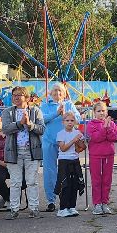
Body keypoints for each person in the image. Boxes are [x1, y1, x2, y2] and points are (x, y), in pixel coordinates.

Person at [2, 87, 44, 218]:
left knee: (32, 181)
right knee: (15, 182)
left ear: (26, 97)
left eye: (19, 95)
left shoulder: (35, 111)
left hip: (32, 151)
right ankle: (14, 210)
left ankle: (34, 208)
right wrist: (20, 123)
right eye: (14, 95)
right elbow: (6, 129)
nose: (15, 97)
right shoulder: (7, 112)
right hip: (14, 151)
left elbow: (42, 129)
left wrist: (30, 124)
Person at [40, 83, 80, 212]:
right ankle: (51, 200)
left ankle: (66, 198)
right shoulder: (45, 105)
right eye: (55, 91)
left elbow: (78, 119)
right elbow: (41, 120)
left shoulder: (69, 104)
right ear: (50, 93)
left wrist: (68, 116)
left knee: (67, 170)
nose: (57, 93)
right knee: (49, 171)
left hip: (67, 143)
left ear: (64, 93)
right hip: (49, 141)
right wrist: (56, 114)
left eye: (60, 91)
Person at [84, 102, 117, 216]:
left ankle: (105, 202)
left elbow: (113, 137)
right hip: (96, 155)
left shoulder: (112, 124)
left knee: (107, 180)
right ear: (94, 113)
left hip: (109, 155)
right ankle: (97, 203)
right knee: (96, 180)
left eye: (103, 111)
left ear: (106, 112)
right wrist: (104, 128)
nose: (101, 113)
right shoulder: (91, 125)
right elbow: (96, 138)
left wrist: (108, 127)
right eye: (98, 111)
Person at [54, 112, 86, 217]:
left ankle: (72, 206)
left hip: (75, 160)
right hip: (64, 161)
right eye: (67, 121)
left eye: (72, 121)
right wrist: (73, 140)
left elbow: (81, 148)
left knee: (74, 184)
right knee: (65, 185)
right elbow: (63, 148)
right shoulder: (60, 134)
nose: (70, 123)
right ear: (63, 122)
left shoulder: (77, 132)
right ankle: (63, 208)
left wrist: (80, 140)